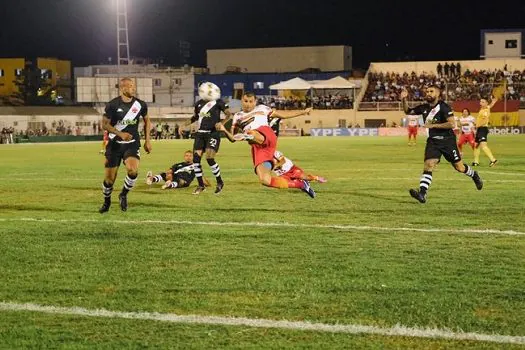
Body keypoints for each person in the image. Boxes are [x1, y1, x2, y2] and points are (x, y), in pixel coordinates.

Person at [216, 91, 316, 198]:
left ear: (255, 102)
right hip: (259, 148)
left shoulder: (262, 109)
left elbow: (281, 114)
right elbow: (232, 138)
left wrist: (302, 112)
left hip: (266, 135)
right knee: (265, 180)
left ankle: (248, 136)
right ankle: (300, 184)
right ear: (241, 101)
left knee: (250, 132)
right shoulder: (237, 116)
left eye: (251, 101)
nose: (248, 104)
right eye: (245, 101)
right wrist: (223, 130)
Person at [401, 86, 483, 203]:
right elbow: (407, 111)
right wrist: (404, 99)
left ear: (438, 94)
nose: (428, 93)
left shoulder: (444, 107)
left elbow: (451, 124)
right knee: (429, 164)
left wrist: (434, 126)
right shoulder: (424, 107)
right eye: (427, 91)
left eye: (431, 91)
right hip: (433, 141)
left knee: (459, 167)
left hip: (447, 141)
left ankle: (474, 175)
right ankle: (422, 193)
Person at [99, 77, 151, 213]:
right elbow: (104, 125)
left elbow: (147, 121)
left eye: (133, 86)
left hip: (132, 144)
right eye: (129, 86)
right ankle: (107, 200)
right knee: (109, 180)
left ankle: (123, 194)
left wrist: (148, 141)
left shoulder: (141, 104)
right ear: (122, 88)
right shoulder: (112, 105)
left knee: (133, 171)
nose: (133, 88)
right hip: (114, 144)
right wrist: (120, 134)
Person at [179, 82, 232, 195]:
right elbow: (194, 118)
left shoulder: (218, 102)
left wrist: (221, 123)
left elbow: (229, 114)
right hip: (200, 134)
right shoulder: (198, 103)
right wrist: (184, 125)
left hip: (213, 134)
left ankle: (219, 182)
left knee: (209, 158)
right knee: (196, 161)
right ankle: (200, 185)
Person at [472, 97, 498, 167]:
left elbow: (484, 121)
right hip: (480, 129)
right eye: (480, 101)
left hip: (483, 129)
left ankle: (493, 160)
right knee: (476, 146)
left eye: (483, 102)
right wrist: (493, 102)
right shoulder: (485, 108)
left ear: (486, 103)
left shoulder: (485, 111)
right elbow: (490, 106)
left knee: (483, 146)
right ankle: (476, 162)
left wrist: (476, 125)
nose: (481, 103)